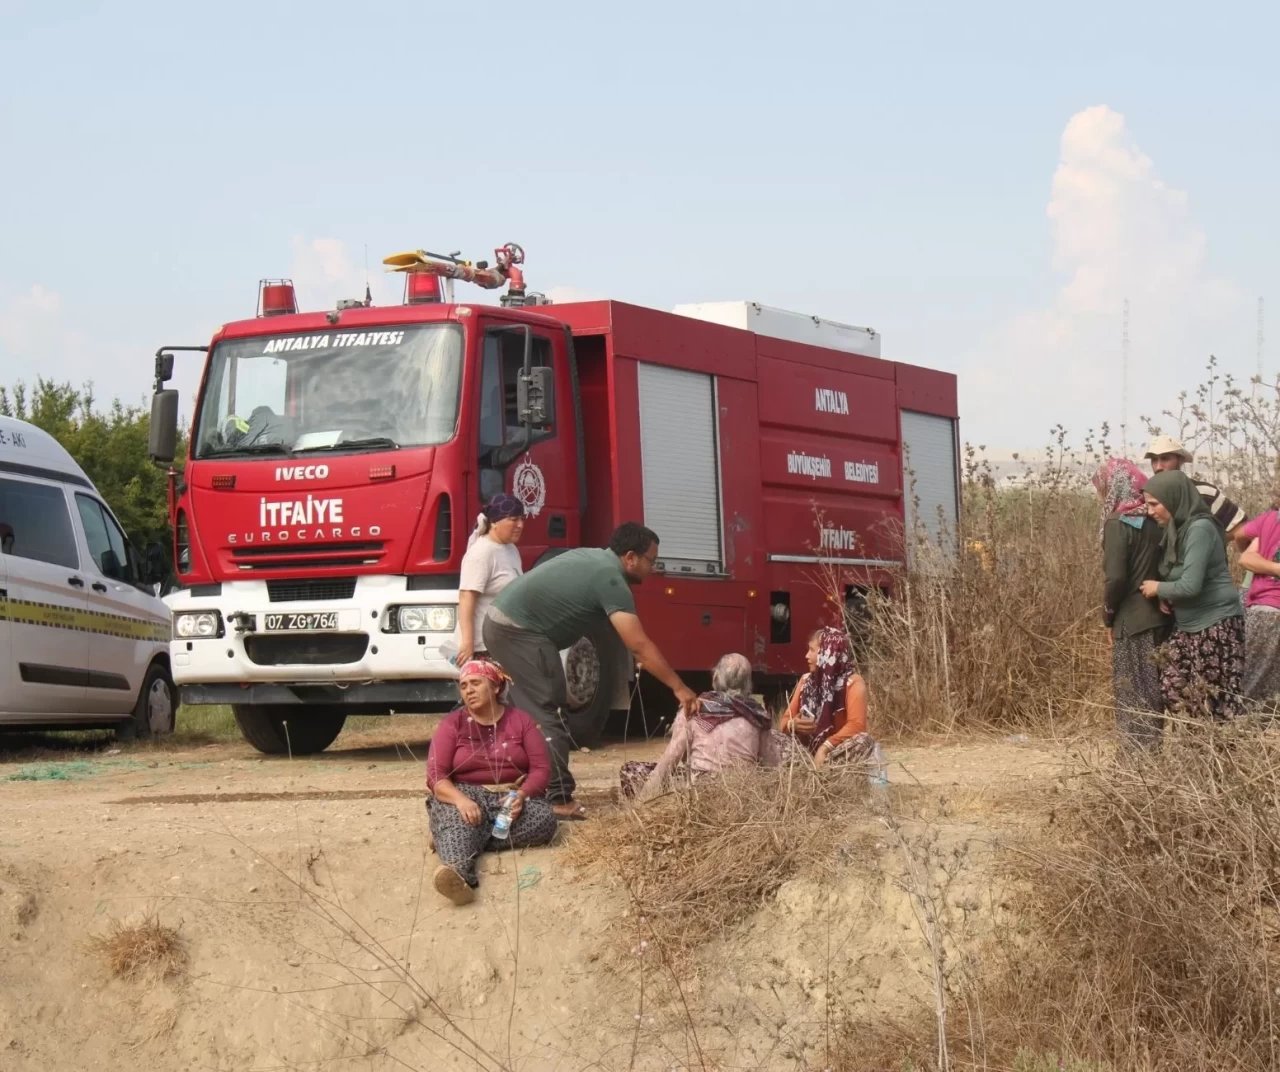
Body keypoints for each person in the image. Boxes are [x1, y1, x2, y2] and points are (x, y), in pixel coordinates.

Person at [482, 522, 699, 817]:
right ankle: (557, 797)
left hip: (504, 625)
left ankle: (531, 780)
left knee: (529, 711)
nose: (653, 568)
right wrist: (679, 687)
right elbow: (638, 646)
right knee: (549, 711)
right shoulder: (610, 579)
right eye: (652, 561)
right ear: (631, 557)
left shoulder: (593, 558)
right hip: (518, 631)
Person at [425, 659, 558, 905]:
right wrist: (461, 801)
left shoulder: (521, 721)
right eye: (463, 686)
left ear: (496, 687)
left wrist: (521, 796)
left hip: (508, 799)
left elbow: (541, 769)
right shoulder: (451, 724)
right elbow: (436, 776)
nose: (468, 690)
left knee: (545, 819)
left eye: (476, 683)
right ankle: (460, 878)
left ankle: (450, 834)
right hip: (464, 799)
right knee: (460, 818)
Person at [1139, 470, 1245, 721]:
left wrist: (1158, 588)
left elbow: (1191, 585)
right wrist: (1168, 593)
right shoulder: (1177, 528)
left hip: (1215, 625)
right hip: (1188, 626)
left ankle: (1222, 757)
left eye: (1155, 504)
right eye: (1147, 505)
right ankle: (1197, 754)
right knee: (1174, 689)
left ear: (1175, 498)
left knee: (1214, 702)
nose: (1150, 511)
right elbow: (1177, 573)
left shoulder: (1200, 528)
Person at [619, 653, 782, 799]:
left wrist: (642, 803)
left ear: (715, 678)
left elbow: (669, 763)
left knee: (631, 770)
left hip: (701, 797)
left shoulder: (693, 709)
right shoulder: (757, 716)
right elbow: (774, 766)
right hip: (743, 797)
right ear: (748, 683)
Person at [1093, 458, 1170, 749]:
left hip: (1132, 621)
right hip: (1162, 617)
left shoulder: (1116, 521)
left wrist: (1108, 617)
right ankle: (1153, 756)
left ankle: (1137, 764)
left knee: (1133, 694)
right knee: (1154, 693)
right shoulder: (1154, 518)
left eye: (1103, 487)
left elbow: (1116, 578)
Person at [778, 627, 877, 767]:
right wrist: (792, 724)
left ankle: (829, 773)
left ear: (827, 653)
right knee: (772, 737)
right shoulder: (805, 681)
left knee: (864, 740)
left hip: (834, 753)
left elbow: (857, 725)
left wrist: (825, 747)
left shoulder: (853, 683)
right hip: (803, 755)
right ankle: (803, 772)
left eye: (812, 650)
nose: (807, 655)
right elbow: (784, 720)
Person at [452, 494, 525, 665]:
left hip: (504, 641)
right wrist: (468, 642)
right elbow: (466, 596)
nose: (520, 525)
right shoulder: (481, 552)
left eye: (522, 519)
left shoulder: (511, 549)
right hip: (482, 647)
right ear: (494, 523)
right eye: (513, 519)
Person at [1231, 497, 1280, 704]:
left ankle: (1244, 730)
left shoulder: (1270, 519)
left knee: (1252, 682)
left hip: (1264, 608)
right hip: (1270, 608)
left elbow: (1239, 536)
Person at [1143, 435, 1246, 533]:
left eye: (1165, 459)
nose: (1158, 467)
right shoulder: (1149, 496)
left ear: (1180, 460)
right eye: (1154, 460)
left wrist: (1212, 539)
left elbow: (1240, 527)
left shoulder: (1205, 492)